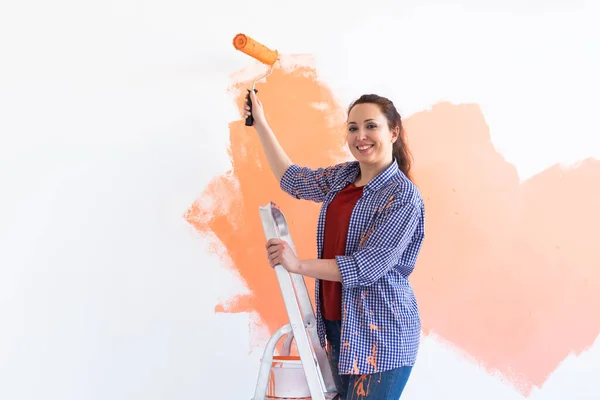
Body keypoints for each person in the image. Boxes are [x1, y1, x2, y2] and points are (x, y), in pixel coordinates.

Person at [243, 90, 425, 399]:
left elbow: (365, 267)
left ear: (393, 132)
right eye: (353, 128)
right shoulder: (344, 177)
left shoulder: (402, 196)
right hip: (337, 327)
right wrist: (260, 122)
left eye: (371, 126)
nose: (360, 136)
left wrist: (298, 265)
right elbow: (292, 179)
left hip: (379, 335)